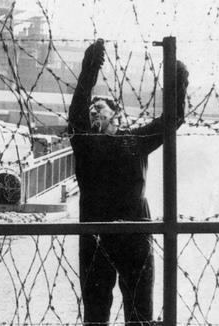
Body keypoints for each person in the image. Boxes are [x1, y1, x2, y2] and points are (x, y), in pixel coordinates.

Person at [68, 39, 188, 325]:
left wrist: (176, 78)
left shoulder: (135, 141)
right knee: (96, 315)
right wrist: (90, 67)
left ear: (117, 116)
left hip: (134, 237)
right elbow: (75, 115)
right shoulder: (85, 143)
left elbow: (172, 119)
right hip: (96, 237)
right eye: (91, 109)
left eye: (100, 108)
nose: (93, 111)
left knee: (139, 314)